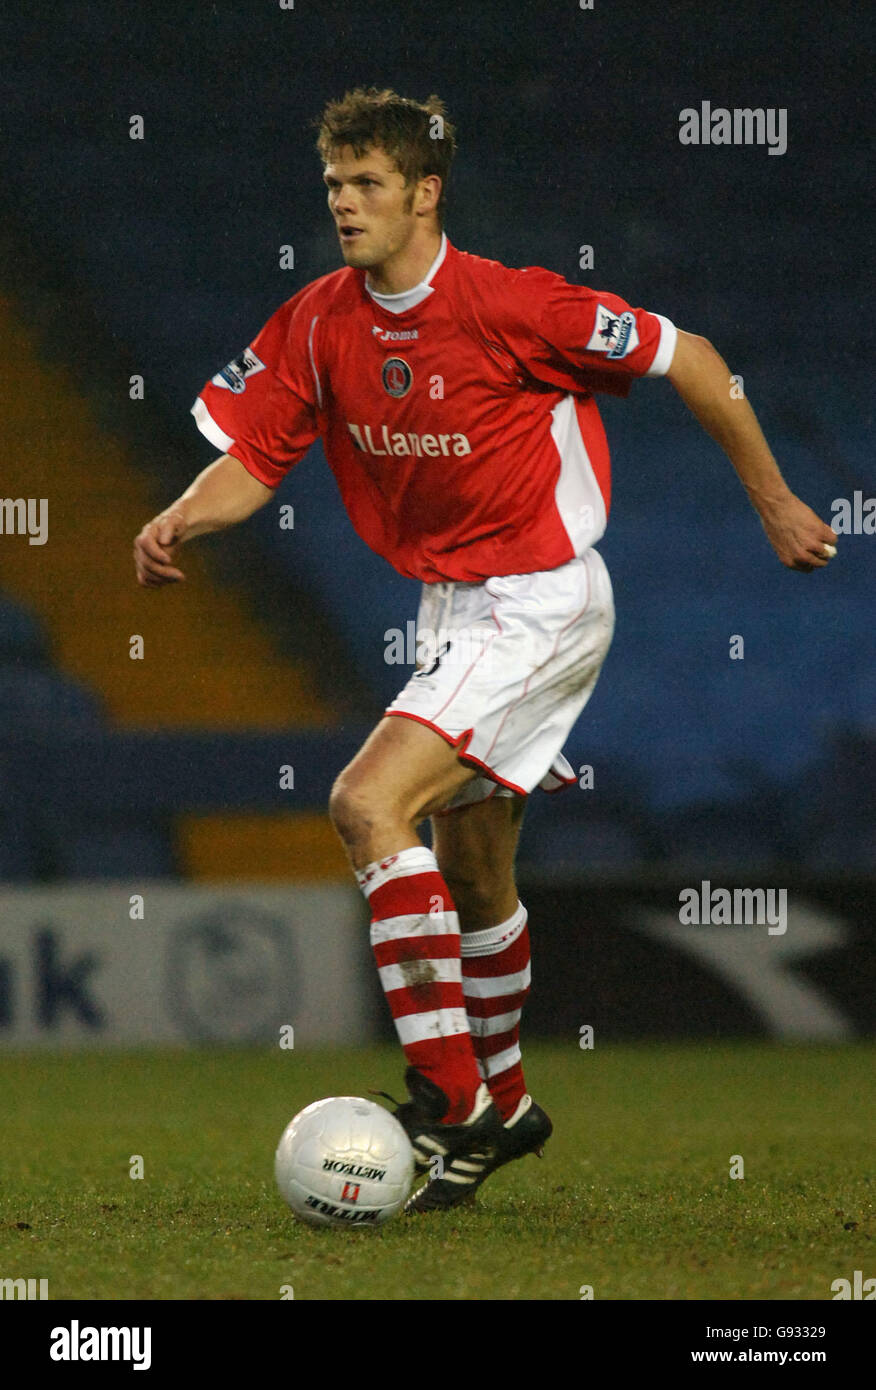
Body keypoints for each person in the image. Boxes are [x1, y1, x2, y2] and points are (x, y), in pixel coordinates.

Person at [133, 87, 838, 1213]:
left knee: (367, 804)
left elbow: (693, 355)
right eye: (333, 185)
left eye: (368, 184)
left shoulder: (515, 306)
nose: (346, 204)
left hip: (540, 600)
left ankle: (450, 1095)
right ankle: (505, 1109)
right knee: (474, 873)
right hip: (449, 608)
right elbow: (258, 458)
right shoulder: (318, 320)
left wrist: (777, 503)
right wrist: (181, 515)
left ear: (425, 192)